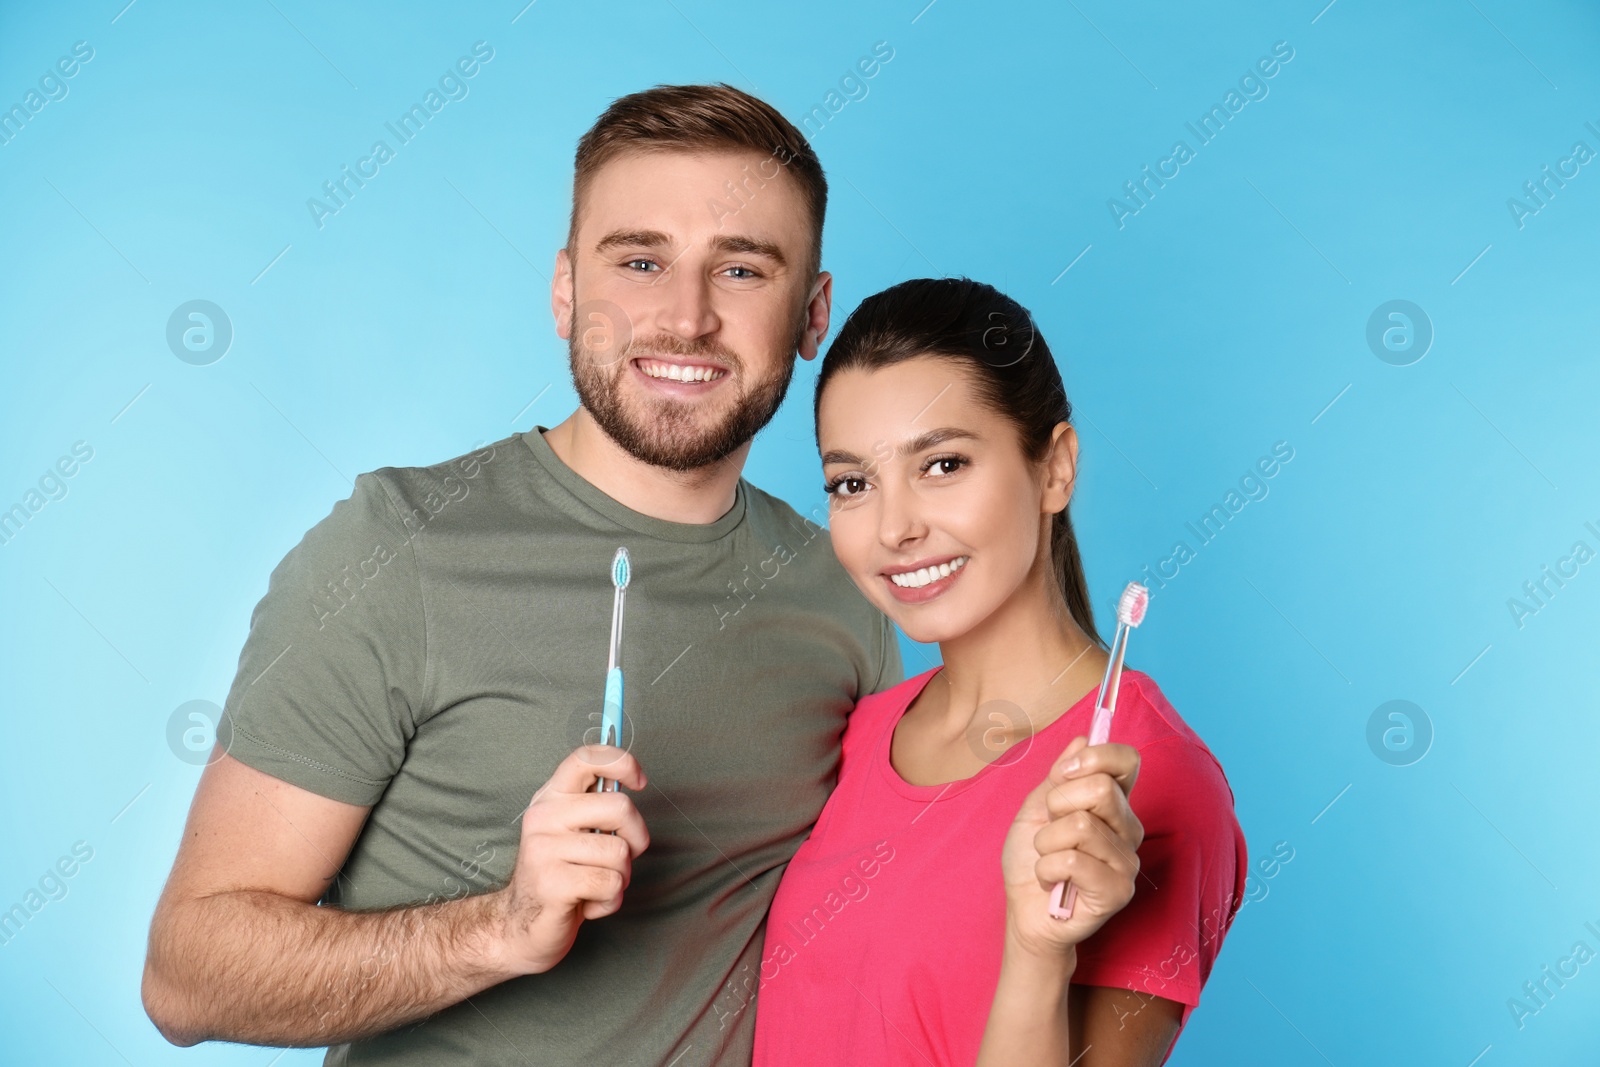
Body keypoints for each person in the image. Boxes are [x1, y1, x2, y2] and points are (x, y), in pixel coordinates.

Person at [140, 83, 904, 1064]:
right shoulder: (399, 548)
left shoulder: (845, 588)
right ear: (562, 291)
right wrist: (502, 927)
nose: (685, 316)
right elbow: (186, 976)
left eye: (743, 270)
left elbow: (881, 923)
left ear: (813, 311)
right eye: (638, 260)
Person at [752, 278, 1249, 1066]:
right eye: (853, 482)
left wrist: (1036, 948)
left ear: (1054, 468)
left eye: (943, 463)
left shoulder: (1153, 786)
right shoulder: (858, 731)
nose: (895, 527)